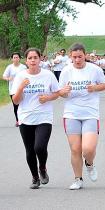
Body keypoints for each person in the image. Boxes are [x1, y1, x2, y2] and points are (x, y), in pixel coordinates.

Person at [58, 43, 105, 190]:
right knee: (75, 149)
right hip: (71, 114)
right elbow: (60, 92)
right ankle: (78, 179)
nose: (77, 60)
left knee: (88, 149)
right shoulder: (66, 71)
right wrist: (64, 91)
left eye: (80, 56)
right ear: (70, 57)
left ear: (85, 55)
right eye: (74, 57)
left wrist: (95, 88)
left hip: (90, 113)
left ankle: (90, 164)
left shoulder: (94, 70)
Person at [11, 48, 59, 189]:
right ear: (26, 61)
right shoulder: (20, 76)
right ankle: (35, 177)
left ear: (40, 59)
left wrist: (48, 97)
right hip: (26, 117)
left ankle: (42, 168)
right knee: (30, 150)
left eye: (35, 57)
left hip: (44, 116)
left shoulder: (48, 75)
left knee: (40, 146)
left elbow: (56, 93)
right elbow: (15, 101)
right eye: (30, 58)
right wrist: (20, 87)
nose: (33, 60)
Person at [2, 52, 27, 126]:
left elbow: (27, 76)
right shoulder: (10, 67)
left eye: (17, 57)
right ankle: (18, 120)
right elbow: (4, 76)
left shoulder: (23, 67)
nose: (16, 59)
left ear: (19, 58)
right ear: (12, 59)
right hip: (12, 89)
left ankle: (24, 119)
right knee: (15, 105)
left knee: (22, 104)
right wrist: (8, 78)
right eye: (14, 57)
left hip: (23, 89)